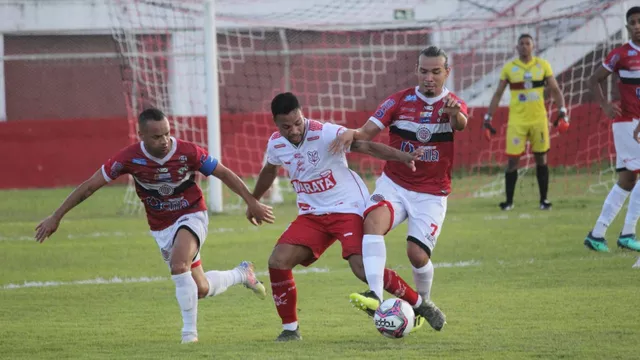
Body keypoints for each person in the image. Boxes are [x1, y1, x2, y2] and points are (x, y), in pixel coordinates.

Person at [34, 108, 275, 344]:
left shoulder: (187, 152)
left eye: (167, 133)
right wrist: (57, 216)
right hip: (161, 227)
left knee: (179, 264)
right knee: (200, 288)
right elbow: (90, 186)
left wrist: (251, 201)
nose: (165, 141)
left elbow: (224, 173)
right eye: (157, 136)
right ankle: (242, 274)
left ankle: (189, 336)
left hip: (192, 214)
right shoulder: (128, 158)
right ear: (141, 135)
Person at [250, 92, 430, 341]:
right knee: (277, 261)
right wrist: (253, 200)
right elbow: (269, 171)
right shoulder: (276, 144)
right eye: (286, 126)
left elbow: (365, 146)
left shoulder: (324, 133)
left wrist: (403, 157)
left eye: (298, 122)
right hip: (312, 215)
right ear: (276, 124)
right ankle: (290, 330)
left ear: (303, 115)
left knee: (363, 269)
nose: (294, 130)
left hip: (347, 208)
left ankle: (420, 304)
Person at [329, 46, 468, 332]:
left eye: (435, 72)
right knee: (373, 222)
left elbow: (460, 123)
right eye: (423, 71)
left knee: (416, 255)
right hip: (395, 184)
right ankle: (375, 295)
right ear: (417, 70)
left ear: (446, 73)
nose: (429, 77)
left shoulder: (453, 104)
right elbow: (365, 134)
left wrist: (455, 115)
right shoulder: (398, 101)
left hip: (432, 193)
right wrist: (348, 133)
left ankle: (423, 303)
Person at [483, 33, 569, 211]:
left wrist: (562, 111)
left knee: (541, 159)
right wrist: (488, 117)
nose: (524, 46)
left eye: (527, 43)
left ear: (533, 46)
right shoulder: (509, 68)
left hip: (539, 120)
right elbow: (498, 93)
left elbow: (555, 89)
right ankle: (508, 202)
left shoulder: (542, 66)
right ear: (517, 47)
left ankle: (544, 200)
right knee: (513, 161)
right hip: (517, 121)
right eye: (521, 43)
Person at [586, 6, 640, 252]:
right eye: (633, 22)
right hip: (628, 123)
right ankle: (628, 232)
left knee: (628, 181)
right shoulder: (621, 54)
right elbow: (594, 79)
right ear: (627, 27)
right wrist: (605, 105)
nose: (637, 26)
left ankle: (597, 234)